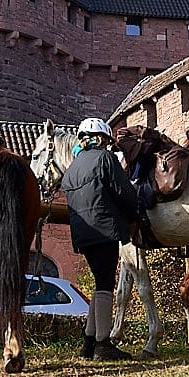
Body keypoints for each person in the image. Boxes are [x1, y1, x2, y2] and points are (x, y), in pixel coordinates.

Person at [61, 117, 138, 361]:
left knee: (99, 283)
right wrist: (137, 214)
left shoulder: (72, 167)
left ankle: (88, 342)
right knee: (105, 283)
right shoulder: (105, 158)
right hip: (104, 229)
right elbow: (123, 190)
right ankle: (103, 344)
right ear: (102, 139)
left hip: (83, 235)